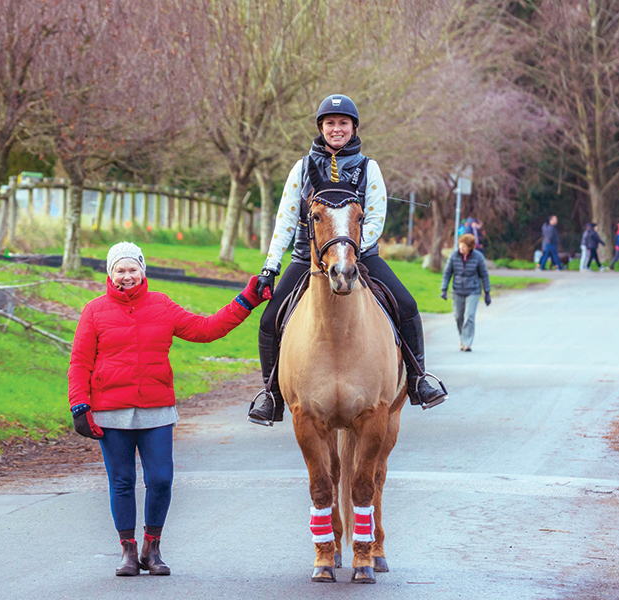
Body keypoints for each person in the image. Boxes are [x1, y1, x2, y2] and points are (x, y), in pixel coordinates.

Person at [246, 94, 447, 427]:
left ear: (354, 128)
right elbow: (285, 219)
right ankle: (271, 396)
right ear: (321, 127)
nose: (336, 129)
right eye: (330, 123)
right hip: (307, 258)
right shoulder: (302, 168)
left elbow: (376, 217)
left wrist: (348, 251)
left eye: (342, 123)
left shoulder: (370, 168)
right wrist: (271, 265)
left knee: (407, 306)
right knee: (270, 321)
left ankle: (418, 381)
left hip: (360, 255)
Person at [68, 242, 267, 577]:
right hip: (111, 411)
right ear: (110, 273)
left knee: (161, 479)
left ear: (143, 271)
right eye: (120, 269)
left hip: (156, 408)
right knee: (122, 481)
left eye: (133, 269)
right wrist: (79, 405)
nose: (127, 276)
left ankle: (152, 548)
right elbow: (80, 362)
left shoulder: (161, 305)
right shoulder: (94, 311)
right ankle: (128, 552)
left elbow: (207, 329)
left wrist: (246, 299)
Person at [440, 234, 491, 351]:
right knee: (458, 317)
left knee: (469, 316)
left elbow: (484, 275)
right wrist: (444, 289)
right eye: (460, 246)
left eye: (464, 247)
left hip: (473, 290)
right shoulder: (454, 255)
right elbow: (447, 272)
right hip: (457, 290)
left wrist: (487, 292)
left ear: (470, 247)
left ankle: (467, 343)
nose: (461, 249)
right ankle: (462, 339)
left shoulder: (478, 257)